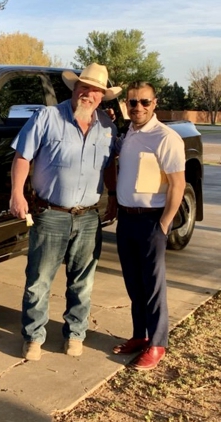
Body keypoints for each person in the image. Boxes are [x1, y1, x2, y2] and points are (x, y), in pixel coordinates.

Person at [9, 63, 121, 361]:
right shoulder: (47, 117)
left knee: (82, 282)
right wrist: (17, 194)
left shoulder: (108, 128)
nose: (89, 94)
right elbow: (22, 157)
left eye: (96, 90)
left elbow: (109, 166)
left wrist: (113, 197)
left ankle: (75, 334)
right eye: (84, 87)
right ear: (75, 89)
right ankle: (33, 337)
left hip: (88, 216)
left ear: (102, 97)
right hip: (51, 214)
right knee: (39, 281)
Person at [112, 81, 185, 371]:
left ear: (154, 104)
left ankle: (157, 344)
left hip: (152, 219)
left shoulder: (165, 137)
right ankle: (139, 336)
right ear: (126, 105)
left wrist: (165, 223)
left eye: (144, 102)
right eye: (132, 102)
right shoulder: (128, 132)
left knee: (153, 285)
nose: (138, 107)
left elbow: (178, 184)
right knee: (134, 283)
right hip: (127, 218)